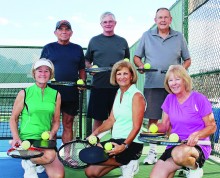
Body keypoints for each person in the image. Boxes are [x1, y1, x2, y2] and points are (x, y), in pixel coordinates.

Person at [133, 7, 191, 165]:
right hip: (153, 83)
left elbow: (187, 60)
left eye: (166, 17)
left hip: (176, 87)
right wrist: (141, 65)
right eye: (160, 17)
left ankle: (174, 152)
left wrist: (179, 72)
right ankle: (151, 153)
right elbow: (137, 57)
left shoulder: (179, 37)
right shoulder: (147, 35)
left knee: (177, 119)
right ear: (155, 20)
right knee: (153, 119)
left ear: (170, 20)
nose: (163, 20)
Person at [149, 65, 216, 178]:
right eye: (170, 80)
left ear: (185, 80)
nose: (173, 83)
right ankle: (184, 165)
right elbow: (165, 125)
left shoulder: (199, 98)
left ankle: (194, 168)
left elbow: (212, 126)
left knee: (179, 155)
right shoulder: (169, 99)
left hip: (197, 145)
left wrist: (197, 134)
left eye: (177, 79)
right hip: (175, 145)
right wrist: (153, 128)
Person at [84, 60, 146, 178]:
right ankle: (125, 163)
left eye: (125, 74)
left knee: (92, 157)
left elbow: (136, 127)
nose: (122, 77)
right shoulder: (118, 92)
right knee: (90, 172)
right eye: (119, 74)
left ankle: (129, 160)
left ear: (131, 76)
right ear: (115, 77)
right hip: (115, 139)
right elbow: (111, 120)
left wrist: (124, 146)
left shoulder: (137, 96)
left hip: (131, 143)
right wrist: (95, 134)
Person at [9, 59, 64, 178]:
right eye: (39, 71)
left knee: (58, 175)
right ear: (34, 73)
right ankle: (29, 161)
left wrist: (53, 132)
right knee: (48, 157)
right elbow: (13, 118)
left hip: (44, 141)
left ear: (51, 74)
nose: (43, 74)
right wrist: (16, 137)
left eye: (46, 71)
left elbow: (55, 121)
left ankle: (32, 161)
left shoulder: (56, 95)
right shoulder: (24, 93)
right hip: (27, 139)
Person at [40, 20, 86, 144]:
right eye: (61, 29)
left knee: (68, 123)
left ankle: (66, 155)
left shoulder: (77, 49)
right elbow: (41, 68)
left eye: (67, 29)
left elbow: (82, 68)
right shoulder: (48, 48)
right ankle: (51, 154)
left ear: (71, 32)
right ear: (55, 32)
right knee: (51, 125)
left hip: (71, 93)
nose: (64, 32)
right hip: (51, 93)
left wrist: (82, 82)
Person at [85, 11, 130, 133]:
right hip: (99, 86)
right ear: (101, 24)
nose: (108, 24)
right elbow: (87, 60)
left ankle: (116, 149)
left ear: (115, 23)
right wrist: (90, 68)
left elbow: (127, 63)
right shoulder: (94, 41)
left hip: (119, 88)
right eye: (105, 22)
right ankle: (95, 145)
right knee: (98, 120)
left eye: (110, 21)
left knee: (117, 119)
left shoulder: (122, 42)